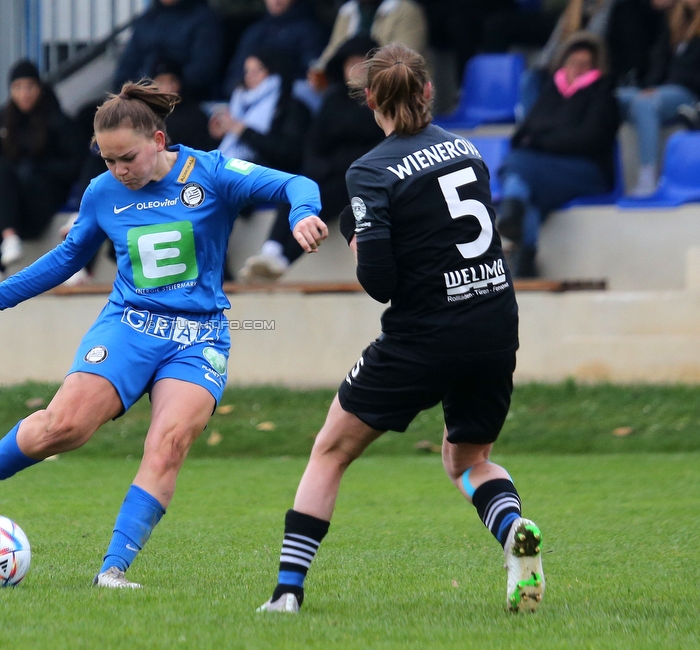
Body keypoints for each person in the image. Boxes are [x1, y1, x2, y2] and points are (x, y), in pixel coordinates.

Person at [0, 80, 328, 589]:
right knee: (63, 429)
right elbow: (67, 259)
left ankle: (112, 571)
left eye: (126, 157)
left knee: (168, 444)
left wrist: (304, 213)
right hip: (129, 324)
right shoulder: (103, 192)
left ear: (158, 139)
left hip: (198, 337)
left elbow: (297, 185)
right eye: (107, 161)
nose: (118, 171)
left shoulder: (212, 173)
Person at [257, 43, 544, 615]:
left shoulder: (370, 171)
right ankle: (513, 528)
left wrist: (354, 234)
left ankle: (287, 593)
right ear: (428, 91)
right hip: (494, 321)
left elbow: (380, 281)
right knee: (467, 459)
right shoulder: (468, 150)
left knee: (330, 450)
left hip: (425, 334)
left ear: (369, 101)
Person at [239, 36, 385, 281]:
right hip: (327, 172)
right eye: (350, 63)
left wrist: (336, 166)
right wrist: (316, 166)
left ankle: (284, 258)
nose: (355, 70)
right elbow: (314, 141)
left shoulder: (380, 103)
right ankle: (271, 250)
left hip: (357, 178)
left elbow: (377, 147)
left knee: (321, 200)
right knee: (296, 187)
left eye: (361, 63)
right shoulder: (334, 99)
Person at [496, 32, 620, 277]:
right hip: (545, 171)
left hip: (587, 172)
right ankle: (524, 260)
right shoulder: (550, 94)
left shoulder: (603, 97)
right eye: (573, 63)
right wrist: (543, 142)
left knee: (517, 165)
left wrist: (542, 142)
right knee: (524, 185)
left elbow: (588, 140)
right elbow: (520, 136)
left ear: (596, 67)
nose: (578, 69)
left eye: (585, 64)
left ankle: (512, 211)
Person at [0, 60, 84, 287]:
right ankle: (7, 244)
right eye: (18, 88)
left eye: (29, 87)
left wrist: (39, 169)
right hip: (12, 199)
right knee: (1, 177)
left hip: (43, 197)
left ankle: (2, 257)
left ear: (39, 88)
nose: (24, 94)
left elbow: (75, 164)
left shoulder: (56, 120)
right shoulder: (3, 120)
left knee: (2, 189)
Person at [617, 0, 700, 196]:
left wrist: (657, 92)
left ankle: (648, 177)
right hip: (664, 90)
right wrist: (650, 87)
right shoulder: (673, 22)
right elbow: (659, 59)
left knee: (646, 103)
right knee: (616, 98)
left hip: (690, 93)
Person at [210, 48, 312, 172]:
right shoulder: (239, 101)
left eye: (258, 70)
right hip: (236, 172)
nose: (250, 77)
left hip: (270, 176)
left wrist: (243, 131)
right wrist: (218, 134)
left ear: (273, 70)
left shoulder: (292, 107)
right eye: (247, 71)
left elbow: (289, 154)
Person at [112, 0, 223, 100]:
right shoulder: (146, 20)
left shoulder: (204, 19)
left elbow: (203, 68)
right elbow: (126, 69)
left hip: (188, 99)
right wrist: (146, 89)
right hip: (144, 98)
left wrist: (172, 84)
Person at [308, 0, 428, 91]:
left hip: (396, 90)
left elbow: (404, 60)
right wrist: (319, 70)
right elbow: (334, 47)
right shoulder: (347, 11)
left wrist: (360, 67)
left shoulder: (407, 11)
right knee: (303, 91)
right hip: (347, 87)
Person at [220, 0, 327, 96]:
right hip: (250, 102)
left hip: (291, 103)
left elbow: (314, 78)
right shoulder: (254, 32)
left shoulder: (310, 31)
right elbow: (233, 78)